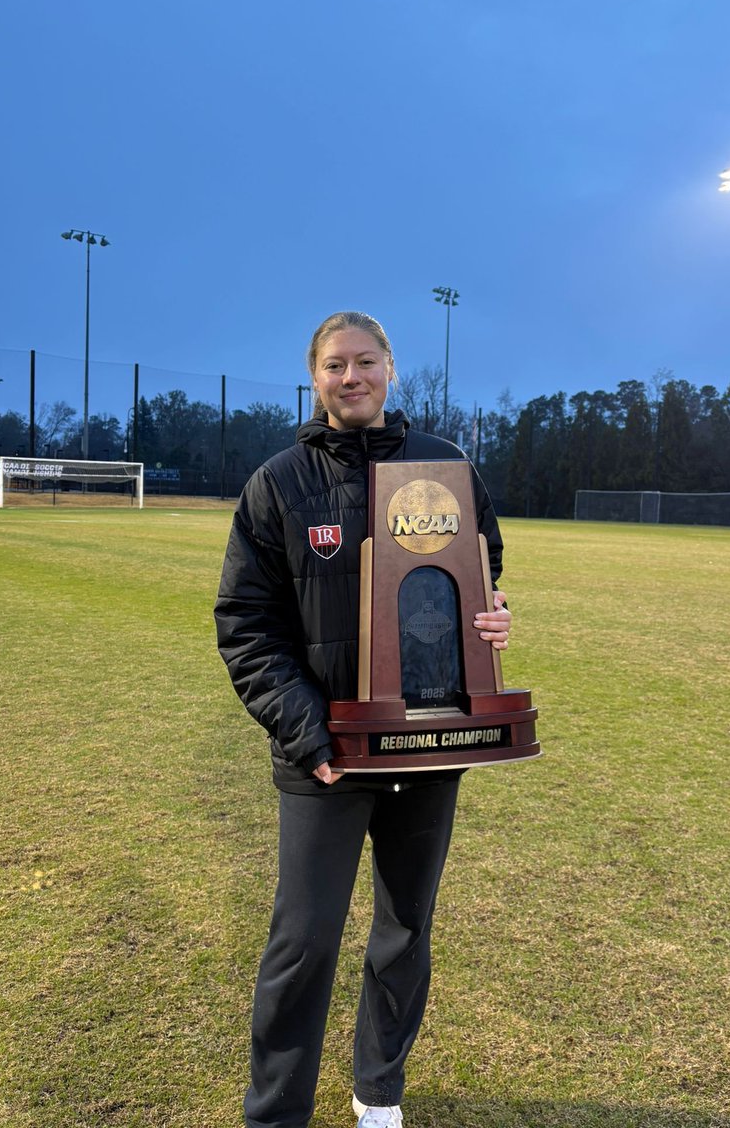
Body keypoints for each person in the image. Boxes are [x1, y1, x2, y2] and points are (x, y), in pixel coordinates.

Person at [215, 310, 512, 1128]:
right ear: (314, 377)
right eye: (336, 365)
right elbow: (246, 626)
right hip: (327, 754)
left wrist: (492, 617)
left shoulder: (445, 468)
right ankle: (276, 1113)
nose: (353, 377)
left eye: (367, 361)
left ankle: (379, 1094)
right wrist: (309, 734)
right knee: (304, 940)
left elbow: (481, 569)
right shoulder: (278, 483)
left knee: (405, 929)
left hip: (427, 743)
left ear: (391, 367)